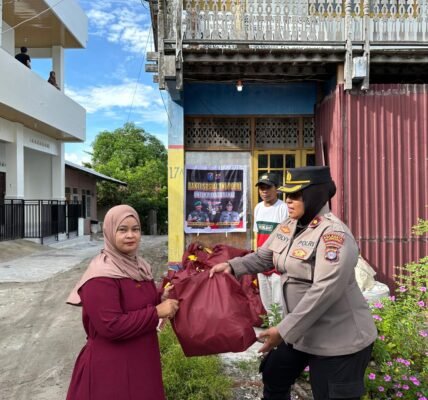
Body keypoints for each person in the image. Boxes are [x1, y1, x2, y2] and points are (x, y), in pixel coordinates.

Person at [210, 166, 377, 400]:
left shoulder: (334, 236)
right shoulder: (289, 225)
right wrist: (232, 266)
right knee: (274, 373)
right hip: (303, 331)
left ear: (315, 195)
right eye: (286, 194)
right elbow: (264, 257)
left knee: (327, 393)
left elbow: (324, 291)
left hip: (338, 340)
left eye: (296, 195)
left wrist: (283, 330)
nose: (288, 200)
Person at [65, 205, 179, 400]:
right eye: (122, 230)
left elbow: (136, 302)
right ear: (110, 232)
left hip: (142, 362)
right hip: (111, 370)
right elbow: (111, 325)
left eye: (135, 229)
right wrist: (156, 312)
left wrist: (160, 296)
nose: (130, 235)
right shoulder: (100, 275)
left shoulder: (139, 266)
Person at [254, 173, 288, 318]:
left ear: (277, 189)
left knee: (279, 304)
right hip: (261, 262)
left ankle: (280, 329)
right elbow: (257, 235)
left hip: (276, 263)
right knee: (267, 303)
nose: (264, 191)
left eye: (268, 187)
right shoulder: (258, 208)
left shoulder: (284, 208)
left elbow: (287, 237)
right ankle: (272, 328)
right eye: (261, 188)